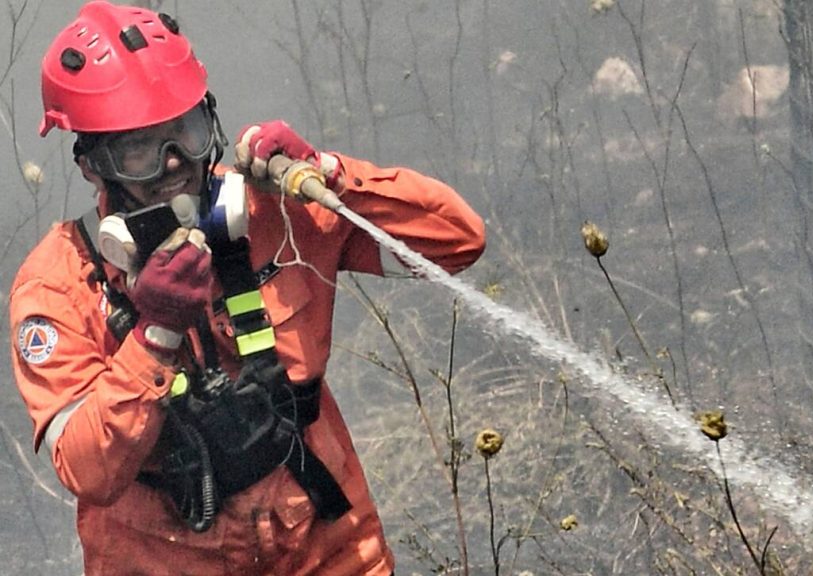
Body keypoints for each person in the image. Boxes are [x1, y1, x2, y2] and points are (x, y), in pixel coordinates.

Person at [8, 1, 485, 574]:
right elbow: (89, 473)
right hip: (161, 561)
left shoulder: (272, 211)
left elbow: (456, 242)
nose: (174, 164)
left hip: (327, 551)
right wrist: (153, 334)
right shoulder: (60, 285)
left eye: (184, 133)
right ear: (93, 164)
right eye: (140, 149)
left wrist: (330, 174)